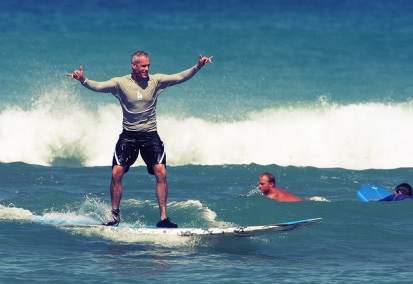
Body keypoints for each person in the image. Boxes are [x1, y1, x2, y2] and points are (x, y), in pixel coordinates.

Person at [67, 51, 213, 227]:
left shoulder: (156, 81)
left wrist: (197, 67)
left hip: (150, 134)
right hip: (128, 135)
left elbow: (179, 77)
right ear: (134, 65)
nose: (147, 69)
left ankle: (164, 218)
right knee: (116, 173)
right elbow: (99, 86)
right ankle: (114, 216)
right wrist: (83, 80)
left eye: (148, 66)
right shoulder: (120, 83)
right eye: (143, 66)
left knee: (161, 172)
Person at [258, 172, 329, 202]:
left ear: (271, 184)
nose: (259, 186)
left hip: (304, 204)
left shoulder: (272, 195)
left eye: (262, 184)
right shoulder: (276, 190)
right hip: (307, 200)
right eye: (259, 184)